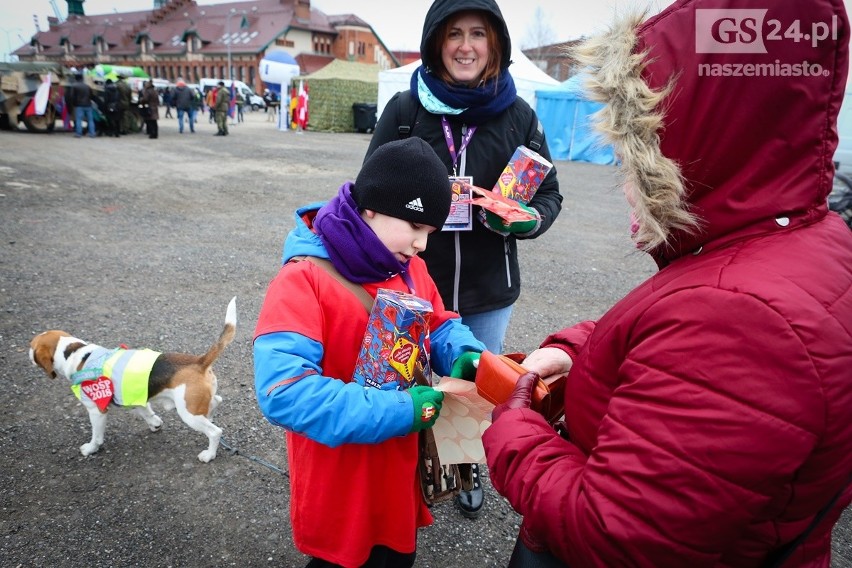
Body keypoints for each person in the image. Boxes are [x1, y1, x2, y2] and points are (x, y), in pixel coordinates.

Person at [481, 0, 852, 566]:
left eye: (637, 152)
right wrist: (577, 351)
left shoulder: (742, 317)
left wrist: (513, 431)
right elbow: (673, 344)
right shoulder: (804, 240)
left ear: (692, 145)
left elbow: (610, 531)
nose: (625, 178)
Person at [363, 0, 563, 520]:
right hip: (411, 280)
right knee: (404, 377)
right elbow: (371, 187)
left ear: (495, 44)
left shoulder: (520, 116)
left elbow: (549, 194)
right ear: (436, 43)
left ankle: (466, 466)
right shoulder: (406, 110)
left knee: (475, 386)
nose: (466, 45)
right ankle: (406, 469)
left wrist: (527, 219)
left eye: (478, 33)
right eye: (454, 34)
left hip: (487, 287)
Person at [253, 137, 486, 568]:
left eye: (431, 234)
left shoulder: (409, 267)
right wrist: (401, 411)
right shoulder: (302, 280)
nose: (422, 246)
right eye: (416, 227)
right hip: (341, 473)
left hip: (398, 468)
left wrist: (464, 354)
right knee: (344, 561)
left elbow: (438, 323)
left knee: (396, 556)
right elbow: (283, 391)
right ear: (372, 207)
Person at [68, 73, 96, 138]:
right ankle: (92, 133)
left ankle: (79, 133)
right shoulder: (87, 86)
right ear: (82, 78)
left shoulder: (74, 86)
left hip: (79, 105)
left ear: (75, 78)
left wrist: (72, 104)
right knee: (90, 120)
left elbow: (71, 96)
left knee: (78, 119)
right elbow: (91, 96)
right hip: (88, 105)